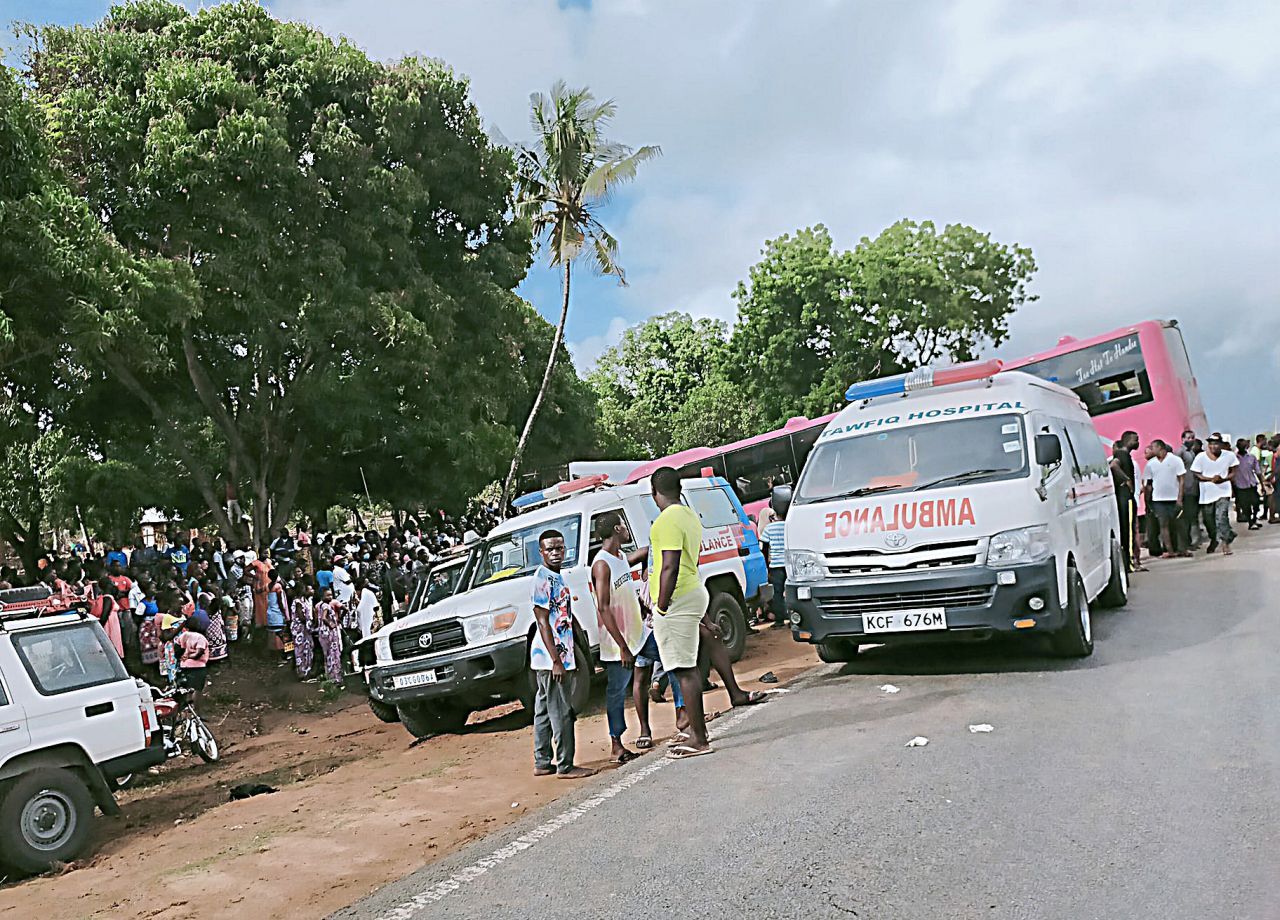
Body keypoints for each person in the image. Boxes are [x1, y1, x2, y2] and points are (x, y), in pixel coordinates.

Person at [648, 467, 715, 759]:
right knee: (690, 666)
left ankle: (698, 739)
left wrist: (661, 604)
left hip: (677, 599)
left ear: (655, 493)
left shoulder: (664, 522)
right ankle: (695, 730)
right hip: (694, 591)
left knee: (683, 670)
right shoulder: (688, 515)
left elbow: (669, 566)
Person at [530, 530, 595, 780]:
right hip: (549, 658)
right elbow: (543, 623)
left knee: (545, 710)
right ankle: (565, 765)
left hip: (556, 655)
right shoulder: (542, 580)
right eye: (550, 549)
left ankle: (542, 760)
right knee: (562, 711)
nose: (556, 553)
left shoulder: (557, 577)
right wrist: (557, 660)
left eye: (559, 548)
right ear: (542, 552)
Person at [590, 513, 648, 765]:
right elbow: (603, 607)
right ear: (616, 528)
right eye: (623, 525)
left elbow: (645, 553)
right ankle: (616, 744)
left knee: (672, 662)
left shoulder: (621, 557)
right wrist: (622, 646)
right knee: (616, 691)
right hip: (618, 643)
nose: (627, 529)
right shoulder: (602, 564)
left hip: (639, 634)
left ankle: (683, 714)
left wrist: (641, 605)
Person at [1191, 434, 1239, 555]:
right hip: (1206, 493)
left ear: (1221, 445)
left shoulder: (1229, 456)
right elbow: (1196, 474)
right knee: (1209, 520)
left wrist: (1223, 479)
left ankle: (1225, 543)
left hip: (1223, 491)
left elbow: (1234, 472)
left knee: (1221, 517)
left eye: (1216, 443)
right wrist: (1209, 479)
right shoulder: (1201, 457)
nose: (1213, 446)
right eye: (1211, 443)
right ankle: (1215, 538)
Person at [1141, 440, 1187, 558]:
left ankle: (1182, 549)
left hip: (1174, 498)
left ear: (1160, 448)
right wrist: (1148, 501)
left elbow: (1181, 480)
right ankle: (1169, 550)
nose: (1151, 450)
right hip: (1158, 499)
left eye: (1153, 447)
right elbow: (1149, 484)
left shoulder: (1176, 460)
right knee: (1163, 525)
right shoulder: (1151, 464)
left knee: (1178, 524)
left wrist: (1180, 498)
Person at [1109, 431, 1142, 573]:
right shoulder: (1122, 455)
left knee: (1128, 529)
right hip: (1125, 498)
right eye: (1135, 440)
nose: (1138, 442)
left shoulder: (1125, 456)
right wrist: (1126, 479)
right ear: (1128, 441)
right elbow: (1114, 466)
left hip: (1126, 497)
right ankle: (1129, 563)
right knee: (1128, 531)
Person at [760, 495, 790, 629]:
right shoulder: (790, 525)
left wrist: (767, 567)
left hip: (776, 566)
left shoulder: (769, 529)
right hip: (790, 565)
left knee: (777, 593)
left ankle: (779, 621)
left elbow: (765, 549)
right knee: (791, 592)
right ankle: (794, 620)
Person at [1176, 430, 1203, 551]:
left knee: (1193, 516)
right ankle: (1187, 542)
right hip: (1185, 489)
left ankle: (1194, 541)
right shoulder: (1180, 452)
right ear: (1182, 439)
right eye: (1188, 438)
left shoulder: (1191, 452)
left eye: (1192, 437)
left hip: (1193, 487)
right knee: (1187, 517)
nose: (1191, 440)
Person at [175, 615, 210, 704]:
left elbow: (177, 650)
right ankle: (196, 711)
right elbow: (198, 653)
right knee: (197, 689)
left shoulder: (183, 636)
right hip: (198, 667)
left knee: (186, 689)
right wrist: (190, 656)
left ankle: (186, 709)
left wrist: (183, 657)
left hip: (184, 666)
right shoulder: (200, 638)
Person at [314, 586, 344, 683]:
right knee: (334, 653)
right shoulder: (326, 606)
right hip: (329, 632)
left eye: (331, 595)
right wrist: (331, 624)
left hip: (323, 632)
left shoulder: (320, 605)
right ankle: (336, 677)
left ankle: (330, 676)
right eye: (328, 595)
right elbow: (323, 618)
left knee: (328, 654)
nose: (330, 597)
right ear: (322, 596)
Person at [1233, 438, 1263, 530]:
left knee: (1256, 503)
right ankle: (1250, 522)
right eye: (1240, 445)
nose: (1242, 447)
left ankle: (1254, 519)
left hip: (1251, 484)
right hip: (1240, 486)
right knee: (1245, 506)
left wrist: (1262, 484)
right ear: (1237, 447)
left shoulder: (1252, 457)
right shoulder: (1234, 458)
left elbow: (1258, 471)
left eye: (1244, 445)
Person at [291, 582, 316, 679]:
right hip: (300, 629)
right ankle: (301, 671)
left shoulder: (304, 601)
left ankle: (307, 670)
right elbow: (301, 617)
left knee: (308, 648)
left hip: (305, 628)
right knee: (300, 649)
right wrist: (309, 623)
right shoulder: (298, 602)